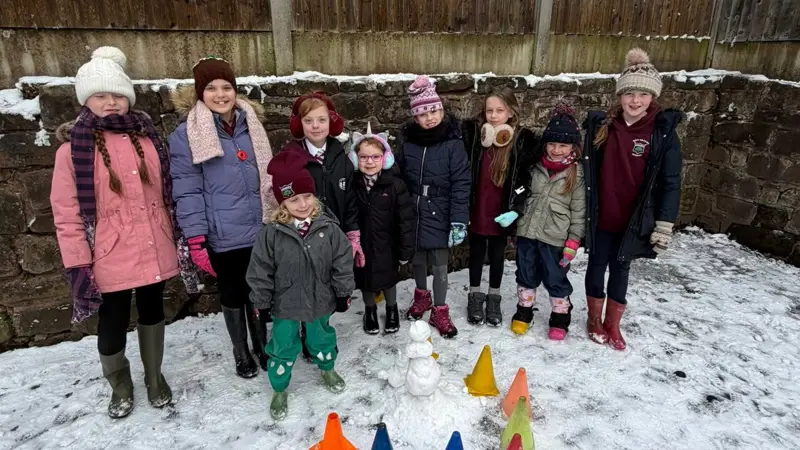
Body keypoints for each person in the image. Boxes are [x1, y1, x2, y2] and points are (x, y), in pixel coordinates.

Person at [51, 46, 197, 418]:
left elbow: (167, 193)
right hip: (108, 254)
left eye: (118, 95)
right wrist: (79, 263)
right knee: (112, 320)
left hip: (154, 243)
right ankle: (120, 385)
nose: (111, 103)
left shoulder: (147, 139)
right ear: (86, 99)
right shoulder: (72, 151)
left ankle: (153, 377)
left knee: (152, 310)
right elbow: (66, 213)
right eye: (101, 95)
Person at [168, 56, 277, 377]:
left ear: (235, 89)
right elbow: (186, 191)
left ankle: (261, 345)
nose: (220, 94)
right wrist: (197, 238)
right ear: (200, 93)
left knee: (258, 291)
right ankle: (240, 350)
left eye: (226, 87)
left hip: (258, 228)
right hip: (222, 233)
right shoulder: (186, 135)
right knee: (232, 294)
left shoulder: (251, 127)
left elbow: (268, 175)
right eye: (211, 88)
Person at [583, 48, 683, 350]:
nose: (635, 100)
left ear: (653, 96)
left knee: (621, 268)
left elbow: (671, 182)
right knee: (596, 266)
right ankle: (593, 319)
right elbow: (587, 169)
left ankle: (613, 324)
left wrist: (664, 223)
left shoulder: (662, 133)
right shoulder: (603, 127)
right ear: (620, 95)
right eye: (629, 93)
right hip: (602, 216)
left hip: (634, 219)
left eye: (643, 94)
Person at [246, 150, 355, 420]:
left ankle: (327, 367)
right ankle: (280, 388)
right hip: (287, 303)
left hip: (320, 299)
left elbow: (342, 261)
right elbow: (260, 269)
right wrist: (261, 300)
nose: (303, 204)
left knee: (321, 337)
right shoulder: (272, 234)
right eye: (294, 199)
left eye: (307, 196)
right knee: (283, 345)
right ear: (283, 203)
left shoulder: (328, 229)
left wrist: (343, 293)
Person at [280, 92, 361, 359]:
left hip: (333, 239)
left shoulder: (342, 157)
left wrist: (352, 233)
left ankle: (320, 334)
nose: (316, 126)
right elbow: (284, 200)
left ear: (332, 121)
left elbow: (350, 199)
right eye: (309, 120)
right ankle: (304, 332)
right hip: (303, 237)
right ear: (300, 124)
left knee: (326, 287)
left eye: (322, 120)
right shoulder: (291, 157)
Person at [396, 75, 471, 338]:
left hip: (441, 210)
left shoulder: (453, 144)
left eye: (434, 110)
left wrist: (458, 220)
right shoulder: (408, 143)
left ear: (441, 110)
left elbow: (462, 183)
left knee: (440, 265)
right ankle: (421, 297)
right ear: (415, 117)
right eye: (423, 113)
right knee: (417, 260)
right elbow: (399, 174)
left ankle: (440, 310)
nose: (430, 118)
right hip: (413, 210)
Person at [462, 87, 538, 327]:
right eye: (489, 111)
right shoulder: (476, 139)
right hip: (477, 209)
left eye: (499, 110)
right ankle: (475, 294)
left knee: (496, 256)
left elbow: (523, 183)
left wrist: (515, 208)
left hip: (500, 212)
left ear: (511, 113)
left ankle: (493, 296)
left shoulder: (519, 144)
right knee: (475, 254)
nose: (493, 116)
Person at [511, 102, 586, 340]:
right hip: (527, 232)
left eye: (562, 145)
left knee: (555, 277)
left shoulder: (576, 174)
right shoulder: (534, 167)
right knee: (525, 273)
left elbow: (579, 211)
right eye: (552, 144)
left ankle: (561, 315)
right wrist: (515, 224)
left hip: (555, 237)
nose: (555, 150)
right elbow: (521, 196)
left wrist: (573, 241)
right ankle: (524, 311)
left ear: (573, 147)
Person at [349, 123, 415, 334]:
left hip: (388, 245)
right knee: (365, 279)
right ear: (355, 159)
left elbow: (405, 220)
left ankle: (392, 308)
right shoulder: (352, 184)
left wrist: (405, 250)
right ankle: (370, 310)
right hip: (363, 245)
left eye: (375, 157)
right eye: (364, 157)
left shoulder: (395, 185)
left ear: (385, 158)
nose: (370, 162)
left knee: (389, 279)